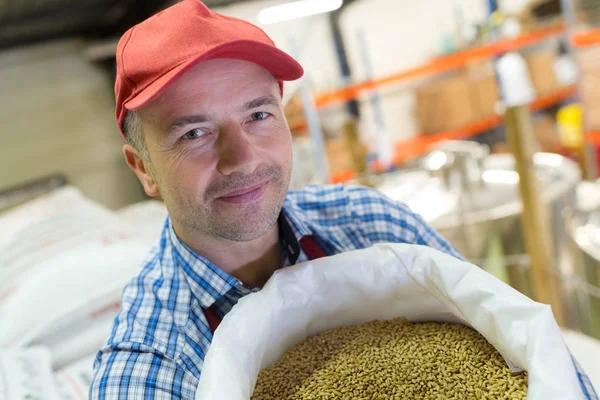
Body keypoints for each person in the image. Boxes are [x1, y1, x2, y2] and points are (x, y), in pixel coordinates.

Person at [88, 1, 592, 399]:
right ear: (143, 169)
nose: (241, 158)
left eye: (258, 115)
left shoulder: (370, 224)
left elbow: (525, 353)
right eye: (194, 132)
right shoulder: (150, 372)